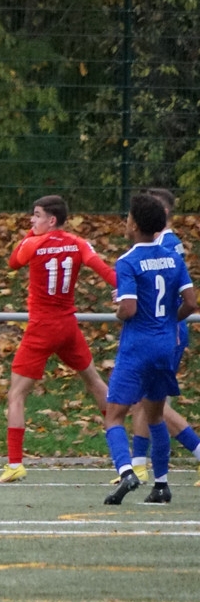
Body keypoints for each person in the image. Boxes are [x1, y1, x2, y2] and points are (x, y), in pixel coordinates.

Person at [0, 195, 115, 483]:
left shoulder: (33, 243)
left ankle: (14, 464)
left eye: (37, 215)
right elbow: (105, 271)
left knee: (16, 394)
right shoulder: (78, 243)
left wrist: (30, 235)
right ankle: (123, 456)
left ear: (51, 220)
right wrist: (126, 288)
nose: (32, 220)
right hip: (68, 326)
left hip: (42, 327)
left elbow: (13, 262)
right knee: (95, 381)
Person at [103, 194, 196, 505]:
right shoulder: (173, 258)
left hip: (137, 347)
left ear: (135, 224)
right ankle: (161, 485)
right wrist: (168, 321)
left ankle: (127, 470)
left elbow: (129, 308)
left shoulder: (127, 261)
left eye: (128, 217)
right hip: (166, 345)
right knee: (155, 416)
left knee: (114, 415)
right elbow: (191, 303)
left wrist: (118, 312)